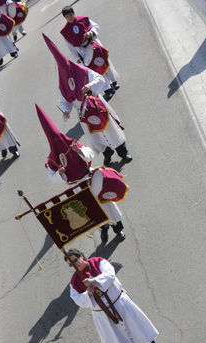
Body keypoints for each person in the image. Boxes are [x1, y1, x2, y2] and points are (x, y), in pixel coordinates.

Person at [36, 104, 127, 242]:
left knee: (107, 203)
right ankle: (104, 229)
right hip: (77, 187)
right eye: (55, 141)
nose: (59, 142)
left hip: (91, 178)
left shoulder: (72, 143)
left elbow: (90, 154)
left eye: (59, 138)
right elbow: (52, 178)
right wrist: (60, 173)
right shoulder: (51, 160)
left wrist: (79, 151)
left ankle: (118, 229)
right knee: (94, 211)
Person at [43, 34, 132, 166]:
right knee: (96, 137)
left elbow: (100, 79)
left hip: (95, 104)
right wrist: (66, 111)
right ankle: (107, 154)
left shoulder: (83, 71)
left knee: (110, 130)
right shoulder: (62, 84)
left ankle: (123, 152)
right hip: (83, 113)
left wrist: (90, 86)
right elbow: (64, 101)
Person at [65, 248, 164, 343]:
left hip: (120, 303)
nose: (75, 265)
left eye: (75, 260)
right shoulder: (74, 282)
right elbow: (78, 300)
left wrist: (94, 281)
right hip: (104, 313)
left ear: (81, 256)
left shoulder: (98, 262)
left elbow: (110, 274)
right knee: (123, 336)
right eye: (71, 264)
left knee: (137, 327)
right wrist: (88, 293)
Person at [60, 6, 119, 101]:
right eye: (67, 16)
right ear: (65, 18)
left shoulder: (83, 20)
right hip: (83, 52)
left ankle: (113, 82)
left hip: (93, 45)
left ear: (73, 13)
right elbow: (70, 46)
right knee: (95, 70)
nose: (70, 18)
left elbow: (96, 27)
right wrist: (76, 57)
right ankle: (108, 89)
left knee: (104, 63)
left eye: (70, 15)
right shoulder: (65, 31)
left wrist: (91, 33)